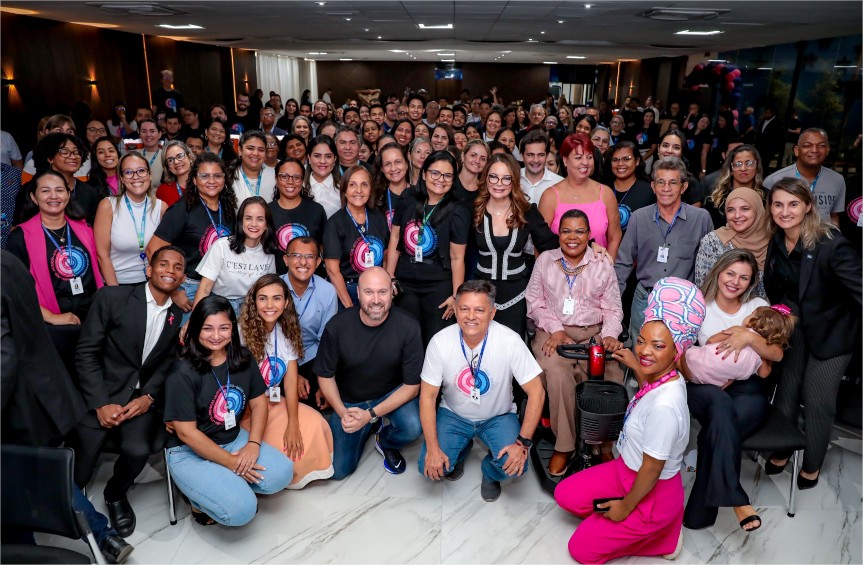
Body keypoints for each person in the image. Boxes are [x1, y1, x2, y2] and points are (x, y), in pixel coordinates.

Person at [555, 277, 706, 564]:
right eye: (641, 341)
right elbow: (650, 382)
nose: (645, 351)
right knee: (565, 495)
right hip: (624, 470)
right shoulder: (666, 378)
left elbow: (651, 469)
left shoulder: (665, 407)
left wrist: (625, 508)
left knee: (581, 549)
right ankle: (636, 522)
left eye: (658, 346)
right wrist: (636, 366)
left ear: (678, 351)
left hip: (651, 490)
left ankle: (665, 535)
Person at [1, 251, 134, 564]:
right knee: (42, 473)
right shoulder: (8, 260)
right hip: (40, 392)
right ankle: (103, 536)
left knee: (17, 483)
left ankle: (28, 553)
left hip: (14, 405)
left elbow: (3, 359)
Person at [72, 245, 186, 537]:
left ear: (183, 278)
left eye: (177, 267)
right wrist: (100, 403)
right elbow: (86, 353)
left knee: (139, 449)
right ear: (149, 269)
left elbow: (166, 363)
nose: (170, 271)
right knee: (78, 471)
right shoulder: (112, 298)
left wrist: (149, 396)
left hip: (138, 400)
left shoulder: (175, 315)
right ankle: (74, 509)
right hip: (98, 393)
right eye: (164, 264)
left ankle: (115, 494)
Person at [763, 178, 861, 490]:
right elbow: (782, 288)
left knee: (817, 400)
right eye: (778, 204)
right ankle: (781, 447)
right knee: (787, 392)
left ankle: (813, 463)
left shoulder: (831, 244)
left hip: (833, 335)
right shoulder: (778, 241)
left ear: (808, 206)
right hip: (796, 327)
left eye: (793, 204)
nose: (785, 211)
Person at [164, 294, 293, 526]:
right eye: (207, 329)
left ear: (233, 327)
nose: (216, 336)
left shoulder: (242, 357)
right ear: (195, 329)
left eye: (223, 328)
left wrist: (253, 444)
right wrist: (230, 462)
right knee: (243, 511)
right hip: (190, 452)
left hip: (233, 438)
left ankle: (224, 483)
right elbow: (186, 433)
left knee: (282, 474)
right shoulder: (181, 372)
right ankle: (197, 496)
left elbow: (258, 403)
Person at [418, 279, 545, 501]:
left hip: (498, 416)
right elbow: (427, 397)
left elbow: (537, 392)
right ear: (456, 310)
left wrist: (522, 444)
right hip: (454, 415)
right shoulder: (440, 342)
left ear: (492, 313)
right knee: (430, 468)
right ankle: (460, 448)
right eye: (464, 309)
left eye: (479, 310)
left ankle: (489, 471)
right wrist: (432, 449)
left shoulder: (510, 340)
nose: (471, 316)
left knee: (514, 466)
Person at [683, 249, 781, 531]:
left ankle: (700, 514)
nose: (735, 282)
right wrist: (701, 373)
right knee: (719, 405)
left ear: (750, 284)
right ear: (718, 271)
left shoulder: (757, 305)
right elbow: (678, 355)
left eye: (744, 278)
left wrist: (747, 336)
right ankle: (736, 499)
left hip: (747, 388)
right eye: (730, 273)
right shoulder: (698, 304)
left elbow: (776, 353)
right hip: (703, 385)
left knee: (718, 429)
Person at [526, 209, 624, 476]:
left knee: (611, 374)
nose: (573, 237)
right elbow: (535, 302)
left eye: (580, 231)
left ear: (589, 235)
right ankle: (564, 445)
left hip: (594, 330)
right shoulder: (546, 260)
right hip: (552, 329)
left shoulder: (602, 263)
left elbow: (614, 310)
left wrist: (609, 336)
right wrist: (556, 330)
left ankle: (603, 443)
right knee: (558, 373)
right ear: (558, 233)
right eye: (567, 230)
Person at [314, 267, 423, 479]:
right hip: (350, 401)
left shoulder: (409, 326)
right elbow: (325, 376)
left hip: (391, 393)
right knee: (340, 470)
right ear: (358, 293)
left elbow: (412, 387)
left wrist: (370, 415)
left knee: (412, 427)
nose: (376, 300)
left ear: (392, 292)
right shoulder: (337, 326)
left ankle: (385, 439)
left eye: (382, 292)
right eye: (369, 292)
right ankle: (366, 426)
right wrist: (343, 412)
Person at [237, 274, 334, 488]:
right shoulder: (239, 334)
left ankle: (302, 473)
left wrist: (293, 423)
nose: (270, 305)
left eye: (276, 298)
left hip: (271, 402)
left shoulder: (286, 331)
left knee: (314, 422)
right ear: (253, 302)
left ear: (286, 302)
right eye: (262, 298)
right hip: (243, 411)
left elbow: (290, 383)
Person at [614, 157, 713, 339]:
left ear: (683, 187)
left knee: (680, 360)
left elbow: (710, 268)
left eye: (672, 183)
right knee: (641, 358)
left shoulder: (701, 218)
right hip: (645, 300)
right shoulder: (638, 218)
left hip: (683, 304)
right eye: (661, 182)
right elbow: (623, 263)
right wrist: (612, 305)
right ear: (653, 186)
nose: (666, 189)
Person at [386, 151, 468, 347]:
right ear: (423, 174)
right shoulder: (407, 199)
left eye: (447, 175)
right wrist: (389, 277)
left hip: (438, 285)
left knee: (436, 343)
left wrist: (457, 296)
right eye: (435, 173)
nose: (441, 180)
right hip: (405, 283)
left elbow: (457, 258)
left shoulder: (458, 210)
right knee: (407, 340)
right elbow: (395, 237)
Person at [472, 153, 558, 337]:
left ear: (514, 181)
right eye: (493, 177)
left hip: (516, 295)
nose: (499, 183)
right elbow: (457, 251)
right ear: (486, 178)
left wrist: (590, 245)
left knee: (512, 352)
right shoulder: (473, 210)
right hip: (480, 294)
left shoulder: (526, 211)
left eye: (506, 178)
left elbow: (551, 244)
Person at [7, 169, 105, 327]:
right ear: (34, 197)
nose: (53, 196)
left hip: (92, 317)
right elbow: (13, 287)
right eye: (45, 191)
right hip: (48, 323)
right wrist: (51, 317)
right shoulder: (20, 237)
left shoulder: (86, 228)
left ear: (68, 194)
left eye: (59, 190)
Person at [147, 153, 237, 322]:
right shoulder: (182, 210)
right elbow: (153, 250)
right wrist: (172, 290)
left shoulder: (228, 208)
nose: (211, 180)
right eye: (204, 176)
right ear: (194, 180)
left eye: (217, 175)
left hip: (219, 287)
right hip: (189, 288)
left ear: (224, 179)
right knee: (187, 341)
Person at [539, 134, 622, 257]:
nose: (585, 163)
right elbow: (540, 240)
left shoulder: (606, 194)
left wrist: (607, 268)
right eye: (578, 157)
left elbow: (614, 237)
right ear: (565, 160)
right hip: (557, 272)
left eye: (589, 157)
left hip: (597, 272)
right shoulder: (550, 196)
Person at [193, 196, 278, 315]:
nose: (254, 224)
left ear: (266, 225)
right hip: (220, 307)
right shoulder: (221, 246)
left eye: (260, 219)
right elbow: (205, 288)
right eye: (248, 218)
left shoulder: (268, 252)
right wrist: (194, 320)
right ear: (241, 221)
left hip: (252, 310)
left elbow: (269, 290)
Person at [281, 236, 337, 409]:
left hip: (311, 356)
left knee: (317, 399)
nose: (303, 262)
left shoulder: (327, 291)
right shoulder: (272, 287)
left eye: (310, 257)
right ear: (286, 259)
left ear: (318, 261)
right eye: (296, 255)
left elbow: (326, 342)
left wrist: (325, 385)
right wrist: (292, 374)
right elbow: (267, 341)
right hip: (279, 358)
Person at [94, 152, 166, 286]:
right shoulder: (108, 206)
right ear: (121, 178)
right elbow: (102, 256)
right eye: (128, 172)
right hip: (118, 283)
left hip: (153, 284)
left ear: (150, 175)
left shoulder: (161, 207)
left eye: (141, 171)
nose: (136, 177)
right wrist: (115, 292)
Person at [680, 304, 795, 388]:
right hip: (712, 383)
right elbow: (764, 374)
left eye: (751, 314)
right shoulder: (761, 354)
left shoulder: (738, 330)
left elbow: (711, 341)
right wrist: (767, 360)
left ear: (752, 321)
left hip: (693, 364)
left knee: (681, 351)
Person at [323, 166, 389, 309]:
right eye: (352, 185)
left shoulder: (378, 217)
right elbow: (332, 270)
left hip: (376, 289)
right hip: (349, 291)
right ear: (344, 190)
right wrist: (349, 306)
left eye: (364, 185)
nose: (358, 190)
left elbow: (385, 256)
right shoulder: (335, 223)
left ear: (370, 190)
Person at [694, 187, 770, 294]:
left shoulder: (773, 241)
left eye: (745, 209)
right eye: (731, 210)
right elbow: (703, 287)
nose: (737, 215)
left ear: (758, 210)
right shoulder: (713, 241)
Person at [15, 132, 101, 225]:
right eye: (64, 152)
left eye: (77, 152)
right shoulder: (31, 189)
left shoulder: (90, 191)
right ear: (50, 158)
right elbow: (19, 227)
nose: (73, 156)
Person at [763, 128, 845, 225]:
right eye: (807, 145)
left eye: (821, 146)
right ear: (797, 150)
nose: (814, 150)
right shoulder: (774, 180)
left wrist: (836, 239)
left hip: (824, 238)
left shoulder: (837, 180)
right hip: (788, 238)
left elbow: (834, 216)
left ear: (827, 150)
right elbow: (767, 219)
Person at [269, 158, 327, 262]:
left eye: (296, 177)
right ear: (276, 179)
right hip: (276, 276)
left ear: (303, 180)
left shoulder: (316, 210)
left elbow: (324, 247)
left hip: (311, 275)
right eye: (284, 176)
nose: (290, 181)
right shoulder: (267, 211)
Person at [705, 144, 764, 229]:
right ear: (731, 168)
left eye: (749, 163)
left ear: (757, 166)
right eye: (738, 164)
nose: (743, 168)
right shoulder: (716, 200)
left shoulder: (767, 197)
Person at [606, 141, 655, 233]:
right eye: (615, 160)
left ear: (637, 161)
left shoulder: (648, 191)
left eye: (626, 159)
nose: (620, 164)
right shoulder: (603, 188)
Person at [230, 131, 275, 207]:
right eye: (250, 148)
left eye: (261, 150)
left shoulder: (275, 176)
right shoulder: (229, 176)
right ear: (240, 150)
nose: (255, 153)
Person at [520, 130, 563, 205]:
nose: (536, 160)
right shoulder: (512, 178)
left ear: (546, 156)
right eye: (530, 155)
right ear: (522, 156)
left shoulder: (560, 183)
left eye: (541, 155)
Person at [373, 142, 410, 229]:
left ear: (406, 163)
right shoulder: (376, 199)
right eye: (387, 164)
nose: (393, 168)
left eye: (398, 162)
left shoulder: (420, 195)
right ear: (382, 168)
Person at [306, 135, 342, 218]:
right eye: (317, 156)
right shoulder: (298, 186)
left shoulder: (343, 188)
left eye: (328, 156)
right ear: (309, 158)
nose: (322, 161)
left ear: (335, 159)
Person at [156, 140, 194, 207]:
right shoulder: (163, 191)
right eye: (170, 160)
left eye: (180, 156)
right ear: (168, 167)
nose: (176, 162)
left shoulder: (203, 185)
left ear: (190, 158)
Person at [454, 139, 489, 205]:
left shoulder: (486, 190)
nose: (477, 161)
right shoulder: (449, 183)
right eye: (473, 155)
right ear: (463, 156)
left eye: (483, 159)